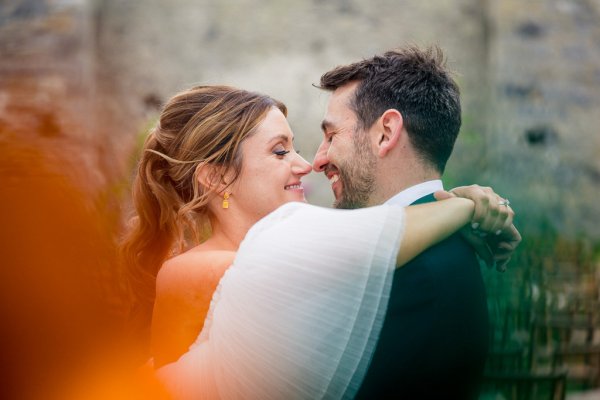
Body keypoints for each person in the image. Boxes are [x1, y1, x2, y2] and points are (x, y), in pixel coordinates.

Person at [120, 85, 514, 399]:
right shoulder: (195, 272)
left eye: (294, 146)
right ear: (217, 178)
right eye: (279, 151)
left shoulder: (300, 244)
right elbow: (364, 246)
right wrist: (463, 207)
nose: (306, 163)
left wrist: (452, 203)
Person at [312, 45, 520, 399]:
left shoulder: (412, 271)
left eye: (332, 135)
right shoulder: (456, 237)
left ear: (386, 132)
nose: (317, 160)